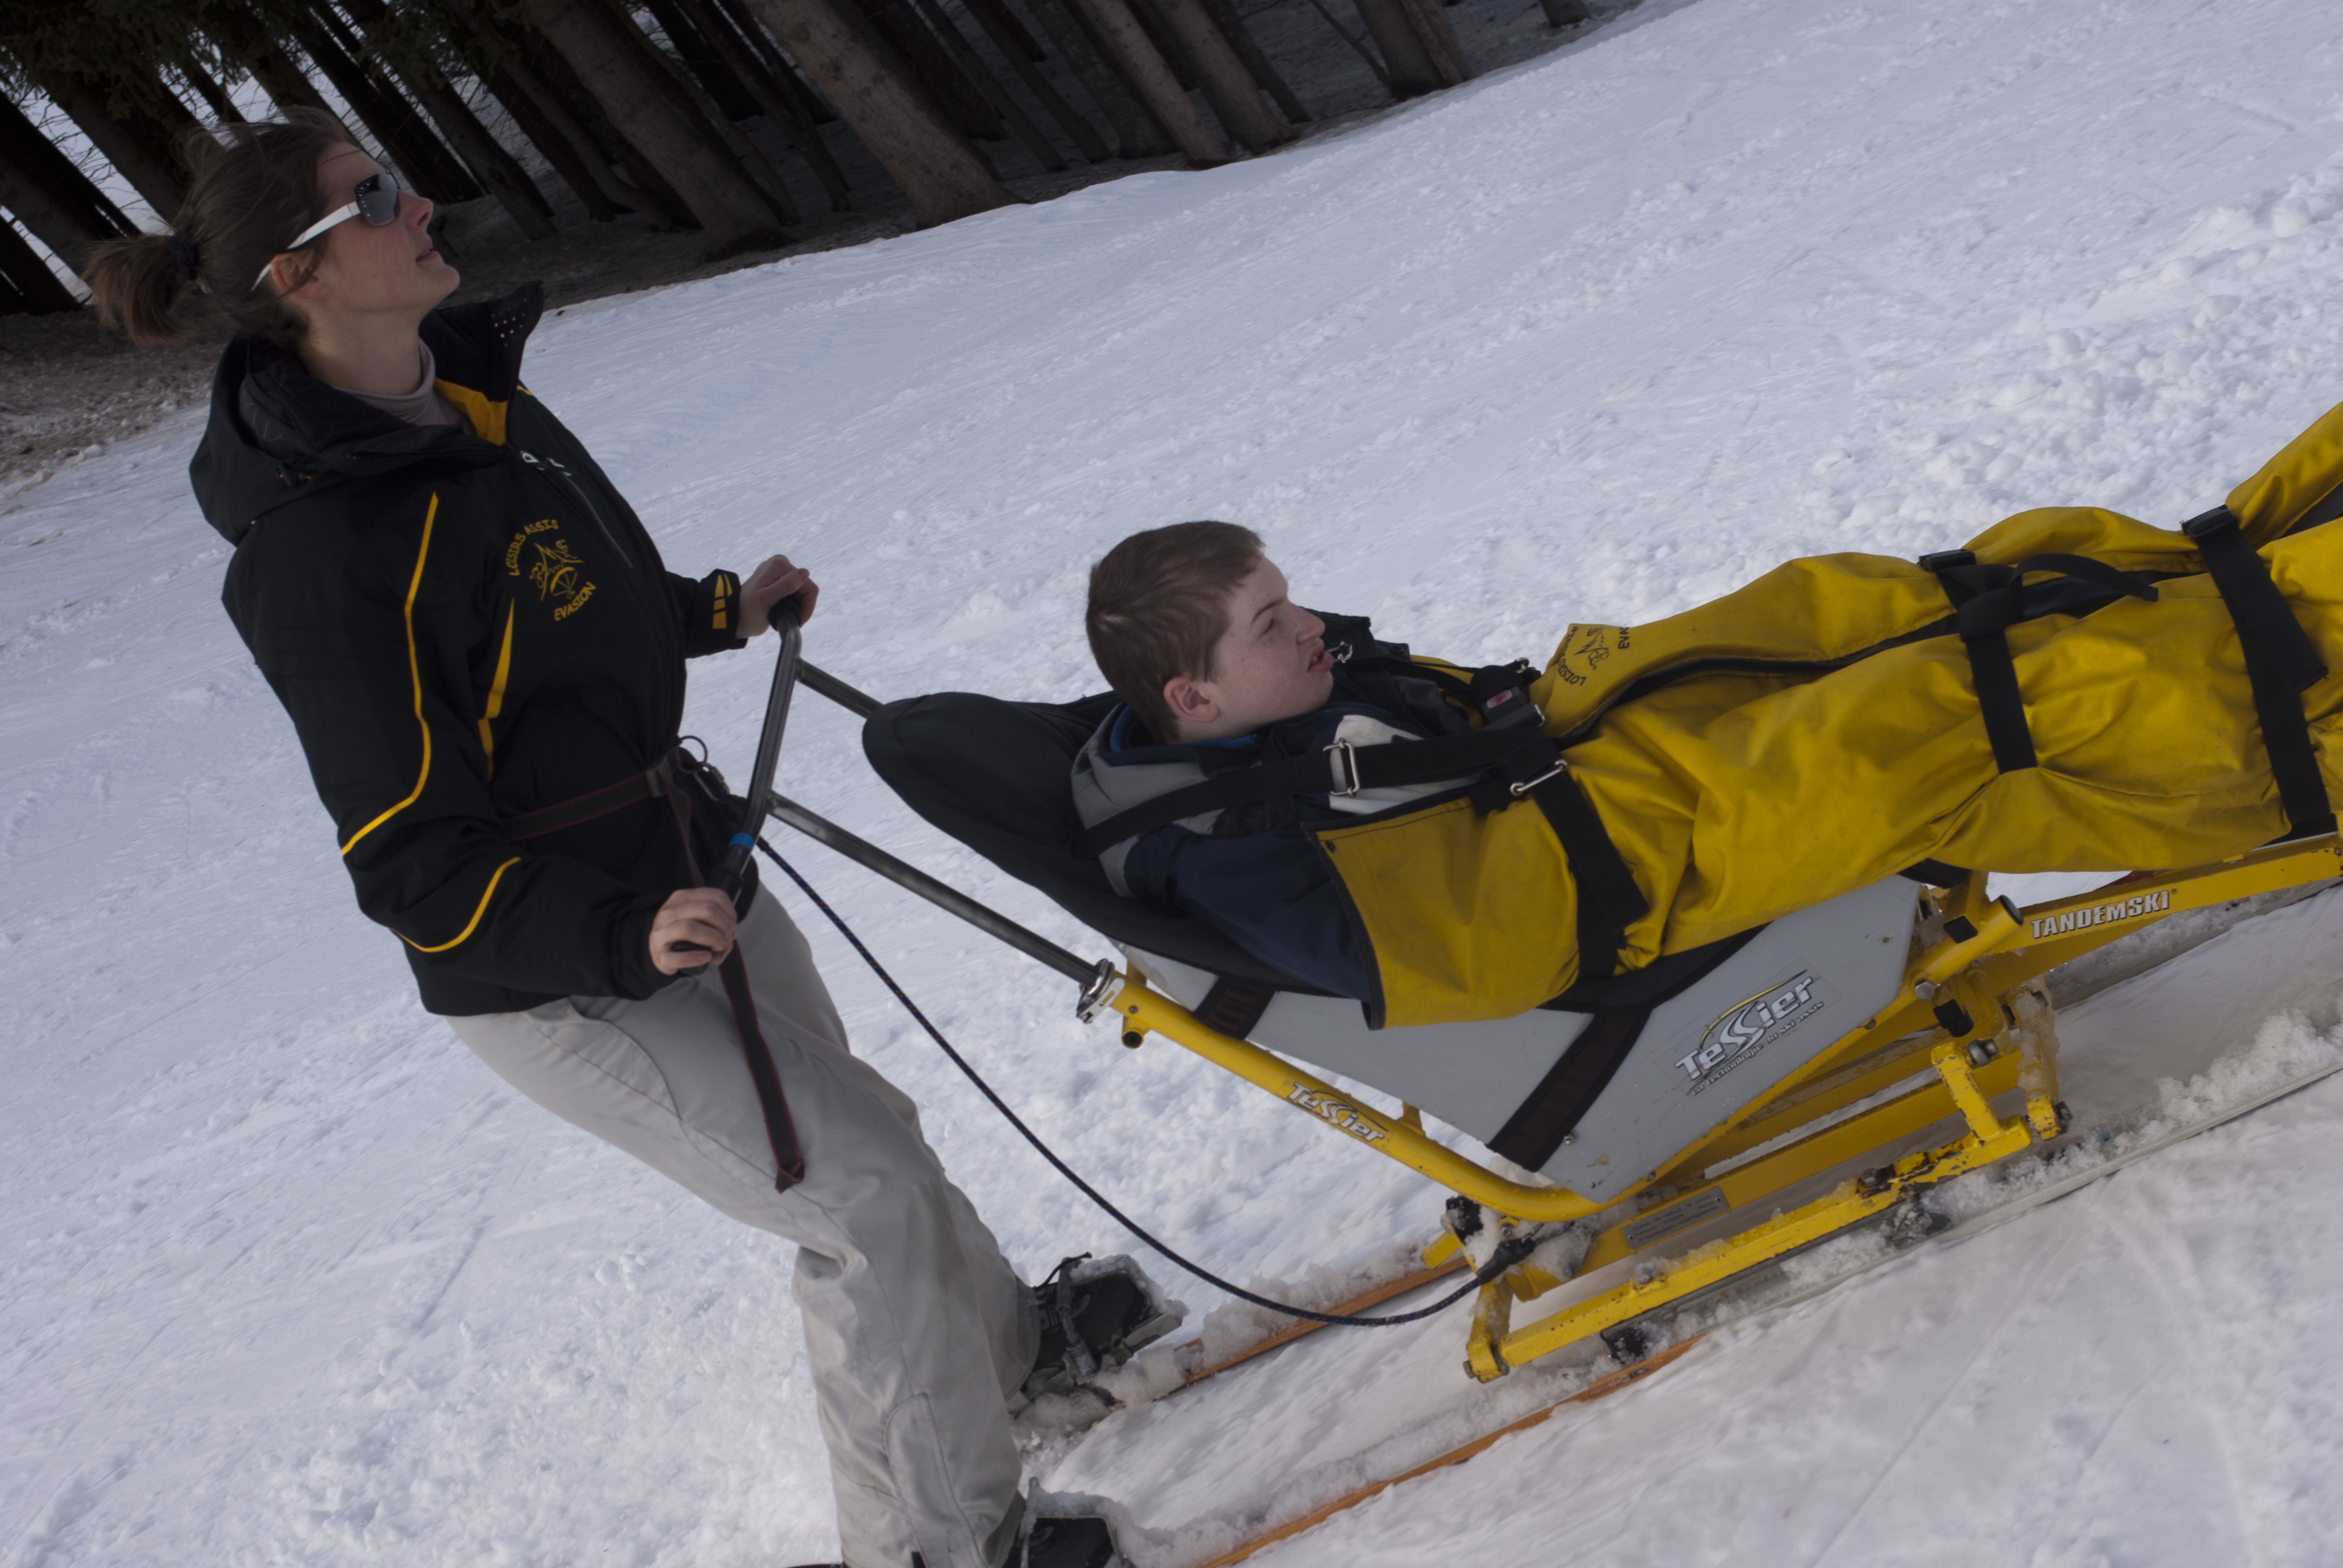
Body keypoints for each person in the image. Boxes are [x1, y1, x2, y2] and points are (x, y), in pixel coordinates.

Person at [88, 111, 1165, 1568]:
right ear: (300, 279)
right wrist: (609, 936)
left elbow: (572, 597)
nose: (420, 204)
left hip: (679, 865)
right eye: (373, 197)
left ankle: (997, 1355)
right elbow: (408, 860)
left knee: (869, 1140)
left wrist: (715, 610)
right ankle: (937, 1543)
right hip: (563, 968)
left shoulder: (465, 395)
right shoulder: (320, 556)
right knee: (856, 1200)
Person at [1075, 437, 2343, 1029]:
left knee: (1875, 605)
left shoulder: (1260, 722)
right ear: (1191, 699)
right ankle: (2287, 702)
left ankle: (2236, 568)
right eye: (1268, 623)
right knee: (1945, 715)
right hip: (1627, 863)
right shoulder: (1235, 847)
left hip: (1586, 771)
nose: (1306, 627)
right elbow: (1449, 942)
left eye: (1288, 599)